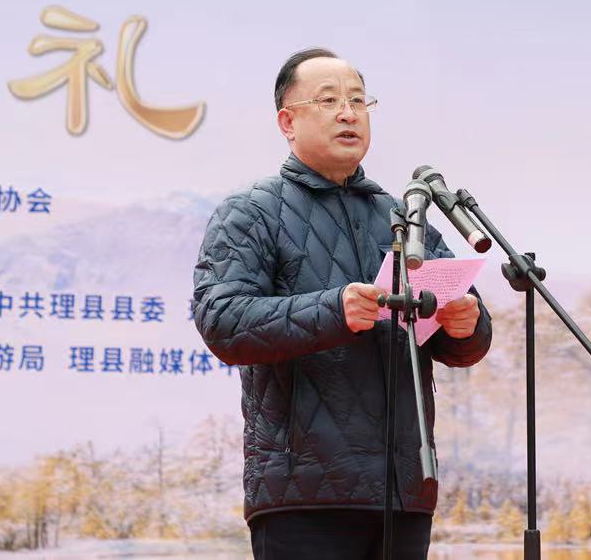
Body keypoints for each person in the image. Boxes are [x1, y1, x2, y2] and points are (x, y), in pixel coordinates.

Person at [192, 47, 492, 559]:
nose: (348, 113)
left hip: (404, 490)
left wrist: (466, 324)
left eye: (358, 100)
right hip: (303, 492)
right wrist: (333, 310)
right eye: (328, 101)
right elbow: (222, 320)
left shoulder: (403, 216)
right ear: (288, 122)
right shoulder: (251, 211)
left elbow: (466, 337)